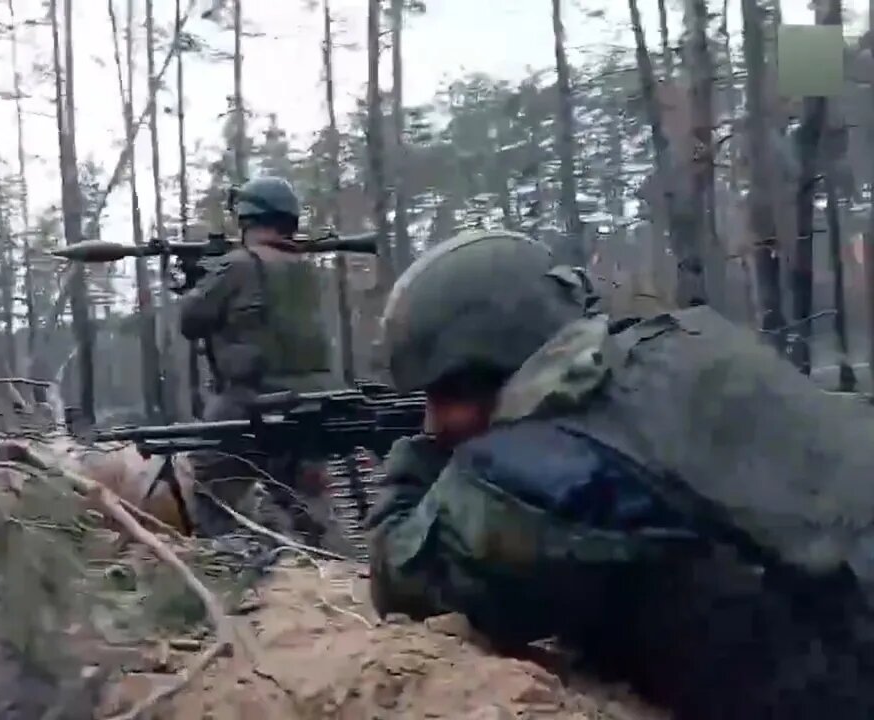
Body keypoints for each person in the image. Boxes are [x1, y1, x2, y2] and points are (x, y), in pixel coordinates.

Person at [366, 228, 874, 720]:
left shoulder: (541, 468)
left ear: (493, 366)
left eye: (441, 395)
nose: (432, 422)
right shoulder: (683, 344)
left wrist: (420, 458)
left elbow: (400, 574)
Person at [178, 176, 335, 542]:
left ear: (246, 220)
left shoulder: (238, 266)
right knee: (299, 492)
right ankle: (317, 563)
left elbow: (190, 321)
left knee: (211, 477)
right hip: (310, 400)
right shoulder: (304, 268)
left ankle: (232, 560)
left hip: (249, 400)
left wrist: (197, 278)